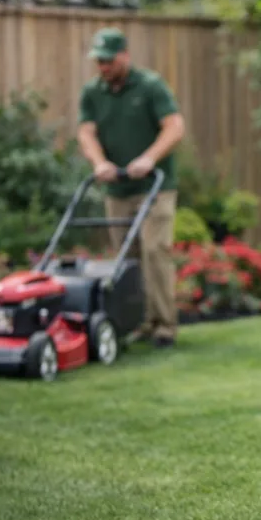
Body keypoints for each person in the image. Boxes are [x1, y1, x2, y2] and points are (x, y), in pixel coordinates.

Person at [77, 27, 186, 348]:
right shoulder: (92, 92)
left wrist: (149, 158)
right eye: (99, 61)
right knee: (128, 258)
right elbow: (86, 133)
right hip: (118, 189)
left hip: (155, 187)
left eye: (109, 60)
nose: (103, 67)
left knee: (154, 250)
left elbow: (174, 127)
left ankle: (165, 325)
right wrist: (99, 163)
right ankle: (139, 322)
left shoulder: (150, 86)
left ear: (124, 56)